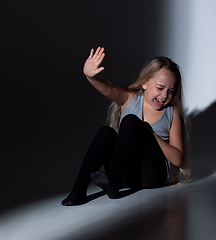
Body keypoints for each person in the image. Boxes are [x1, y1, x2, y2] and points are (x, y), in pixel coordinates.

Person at [62, 47, 190, 206]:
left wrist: (149, 132)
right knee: (106, 132)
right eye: (160, 88)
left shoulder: (172, 113)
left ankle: (112, 182)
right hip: (126, 175)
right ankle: (78, 192)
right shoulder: (130, 99)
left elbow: (178, 159)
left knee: (131, 121)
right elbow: (108, 88)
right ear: (145, 83)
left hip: (151, 176)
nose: (164, 95)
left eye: (171, 91)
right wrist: (90, 76)